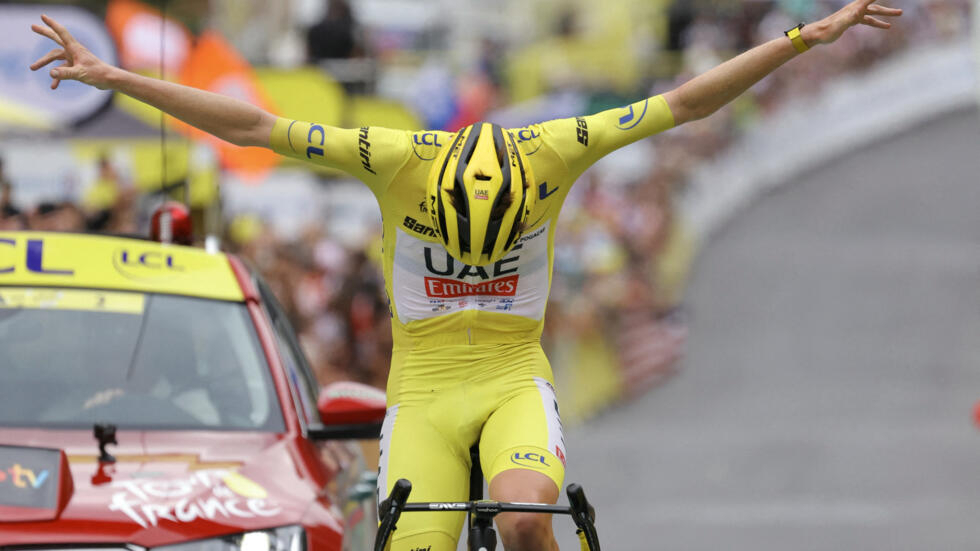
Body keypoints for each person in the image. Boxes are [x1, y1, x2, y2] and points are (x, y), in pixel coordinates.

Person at [29, 2, 901, 549]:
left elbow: (689, 101)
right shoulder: (393, 156)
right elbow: (253, 125)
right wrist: (116, 78)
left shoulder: (557, 146)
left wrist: (801, 37)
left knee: (526, 518)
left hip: (512, 374)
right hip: (426, 389)